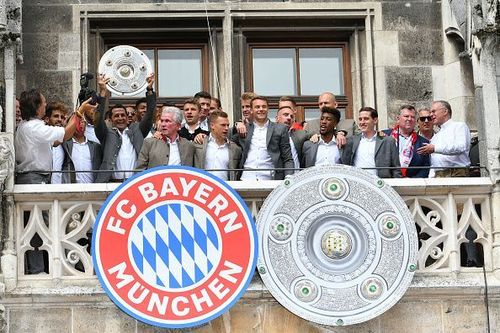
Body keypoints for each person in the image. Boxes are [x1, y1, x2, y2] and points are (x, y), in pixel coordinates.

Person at [15, 89, 93, 184]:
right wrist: (80, 111)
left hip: (36, 177)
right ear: (37, 106)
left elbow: (56, 142)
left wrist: (74, 117)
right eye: (44, 102)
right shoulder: (33, 127)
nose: (45, 105)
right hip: (34, 178)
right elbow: (65, 134)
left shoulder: (26, 124)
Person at [94, 73, 155, 182]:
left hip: (136, 182)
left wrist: (149, 90)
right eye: (116, 116)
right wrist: (103, 93)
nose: (120, 118)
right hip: (112, 183)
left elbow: (149, 114)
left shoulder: (137, 130)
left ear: (128, 118)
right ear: (111, 119)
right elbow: (98, 119)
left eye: (123, 115)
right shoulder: (106, 133)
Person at [232, 96, 294, 180]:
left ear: (268, 109)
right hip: (246, 178)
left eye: (264, 106)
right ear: (251, 110)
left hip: (270, 180)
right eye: (257, 107)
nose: (261, 109)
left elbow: (288, 158)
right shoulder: (244, 129)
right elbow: (228, 141)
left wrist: (289, 178)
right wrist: (237, 124)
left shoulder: (280, 129)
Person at [342, 107, 401, 178]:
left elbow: (396, 169)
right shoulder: (351, 141)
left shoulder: (388, 141)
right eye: (360, 119)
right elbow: (345, 166)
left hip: (380, 185)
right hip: (358, 183)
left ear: (375, 120)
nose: (362, 122)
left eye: (366, 119)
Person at [416, 100, 471, 177]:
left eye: (434, 111)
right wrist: (431, 178)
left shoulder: (459, 126)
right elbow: (434, 162)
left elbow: (461, 147)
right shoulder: (435, 136)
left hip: (456, 173)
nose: (431, 115)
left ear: (445, 111)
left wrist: (435, 148)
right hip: (438, 176)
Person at [382, 105, 430, 178]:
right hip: (386, 182)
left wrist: (411, 181)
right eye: (406, 116)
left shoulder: (423, 142)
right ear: (398, 119)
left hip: (410, 185)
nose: (409, 119)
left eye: (412, 117)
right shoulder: (384, 136)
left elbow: (425, 168)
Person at [194, 111, 242, 181]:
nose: (226, 128)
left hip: (224, 188)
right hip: (202, 188)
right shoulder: (200, 144)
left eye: (228, 125)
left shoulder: (235, 149)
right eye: (223, 125)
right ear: (212, 125)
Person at [61, 116, 102, 183]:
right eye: (77, 122)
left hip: (92, 188)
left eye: (82, 122)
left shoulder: (95, 146)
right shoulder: (64, 144)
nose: (80, 124)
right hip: (72, 188)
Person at [275, 105, 309, 171]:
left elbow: (311, 134)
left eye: (291, 116)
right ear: (277, 118)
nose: (289, 118)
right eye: (285, 115)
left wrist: (315, 136)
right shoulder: (270, 135)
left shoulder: (299, 134)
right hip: (276, 178)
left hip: (297, 177)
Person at [45, 102, 68, 184]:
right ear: (47, 119)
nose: (59, 119)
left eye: (62, 117)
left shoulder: (65, 143)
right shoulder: (42, 139)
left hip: (59, 190)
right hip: (42, 187)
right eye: (56, 116)